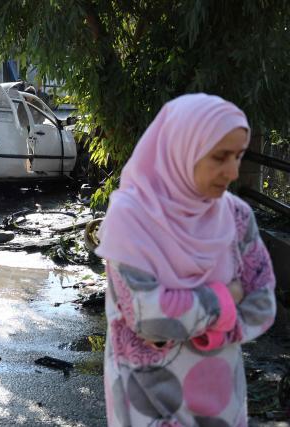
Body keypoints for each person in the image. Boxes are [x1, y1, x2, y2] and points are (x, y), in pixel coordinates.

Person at [95, 93, 276, 426]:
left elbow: (263, 303)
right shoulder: (129, 219)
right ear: (181, 149)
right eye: (220, 157)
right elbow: (150, 320)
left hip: (221, 400)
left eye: (238, 156)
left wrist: (203, 328)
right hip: (149, 403)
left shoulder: (237, 218)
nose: (233, 171)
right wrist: (227, 297)